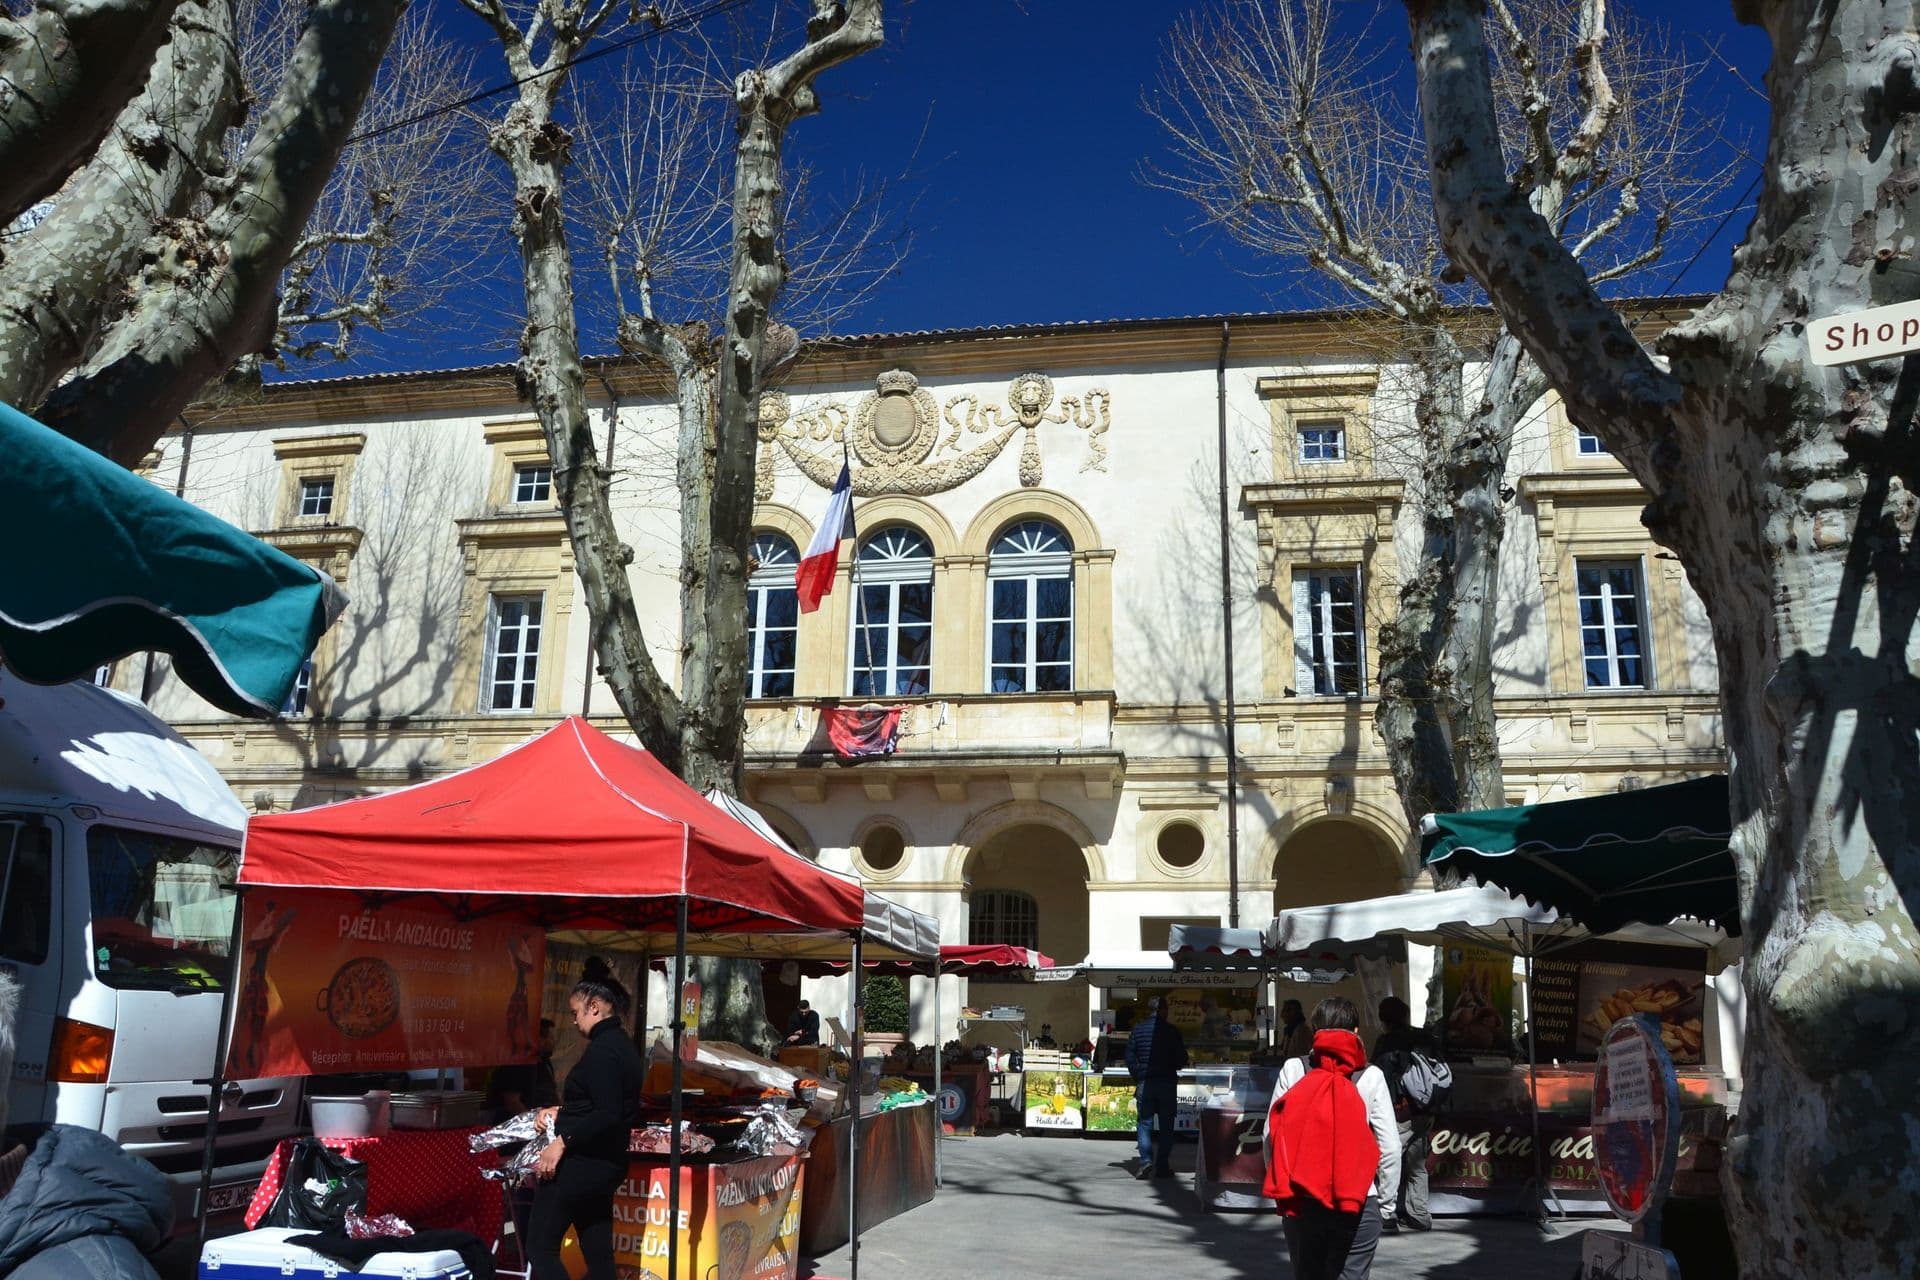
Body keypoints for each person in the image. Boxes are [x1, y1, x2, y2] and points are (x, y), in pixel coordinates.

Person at [1265, 996, 1400, 1280]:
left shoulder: (1294, 1069)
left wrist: (1283, 1188)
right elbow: (1389, 1147)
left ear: (1316, 1032)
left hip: (1303, 1201)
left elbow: (1271, 1136)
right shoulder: (1371, 1076)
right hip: (1359, 1201)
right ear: (1356, 1033)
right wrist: (1386, 1204)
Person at [528, 975, 644, 1280]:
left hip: (582, 1164)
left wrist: (562, 1142)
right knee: (598, 1253)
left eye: (575, 1012)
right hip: (604, 1164)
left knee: (541, 1248)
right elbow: (600, 1104)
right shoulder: (621, 1045)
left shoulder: (605, 1050)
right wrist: (561, 1110)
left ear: (593, 1007)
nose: (574, 1021)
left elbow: (608, 1112)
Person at [1372, 996, 1442, 1231]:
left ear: (1384, 1019)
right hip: (1425, 1108)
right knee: (1417, 1163)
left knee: (1389, 1160)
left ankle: (1387, 1214)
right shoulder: (1423, 1037)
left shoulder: (1387, 1042)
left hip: (1400, 1111)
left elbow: (1379, 1075)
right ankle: (1420, 1214)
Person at [1124, 996, 1188, 1179]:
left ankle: (1146, 1161)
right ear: (1163, 1011)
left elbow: (1129, 1054)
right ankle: (1162, 1165)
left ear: (1149, 1010)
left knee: (1144, 1124)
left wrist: (1138, 1073)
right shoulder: (1172, 1031)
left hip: (1146, 1083)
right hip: (1167, 1083)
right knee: (1167, 1127)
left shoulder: (1138, 1030)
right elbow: (1181, 1058)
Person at [489, 1017, 559, 1122]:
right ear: (537, 1039)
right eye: (548, 1037)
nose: (552, 1041)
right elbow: (512, 1102)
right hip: (519, 1127)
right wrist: (533, 1122)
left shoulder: (544, 1062)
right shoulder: (518, 1063)